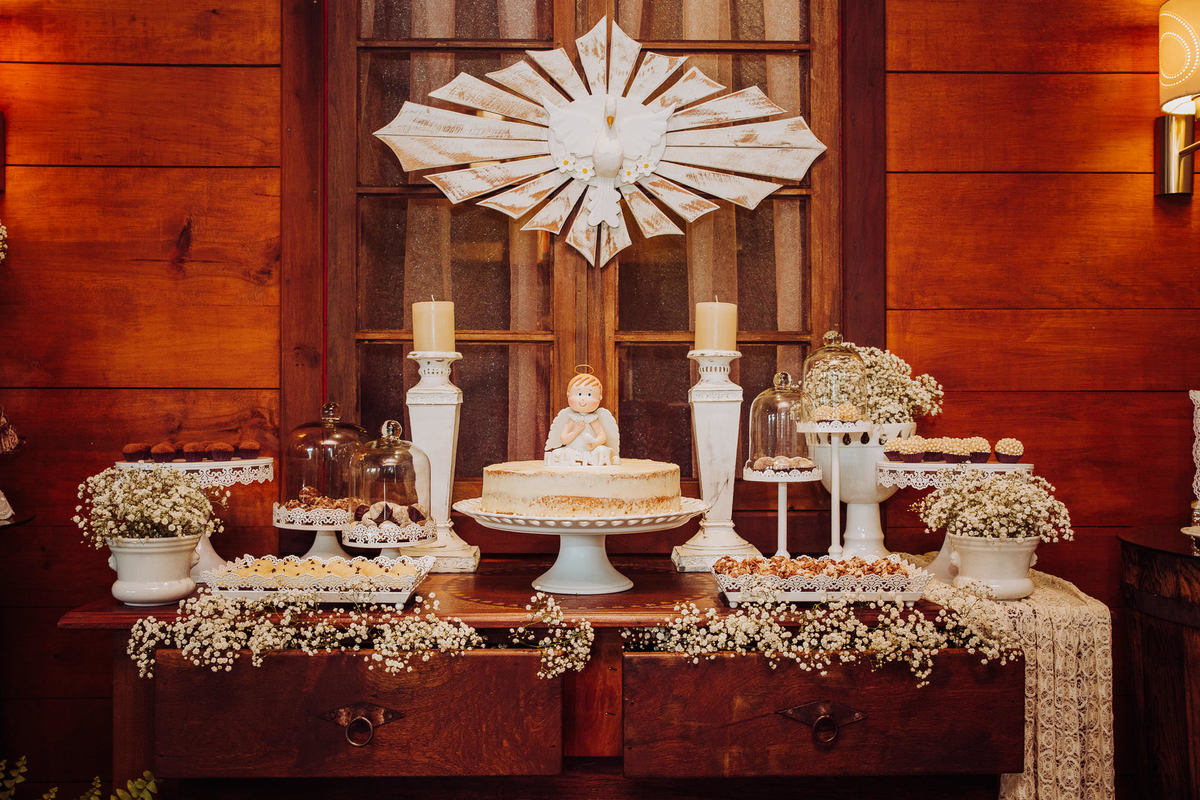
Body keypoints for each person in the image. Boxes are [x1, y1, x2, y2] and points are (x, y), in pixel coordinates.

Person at [544, 372, 620, 466]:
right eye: (579, 394)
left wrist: (594, 443)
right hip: (573, 450)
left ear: (600, 397)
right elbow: (563, 439)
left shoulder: (593, 419)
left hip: (589, 451)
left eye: (589, 395)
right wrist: (576, 431)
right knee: (558, 453)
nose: (583, 399)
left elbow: (602, 436)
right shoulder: (572, 418)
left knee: (601, 450)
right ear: (568, 395)